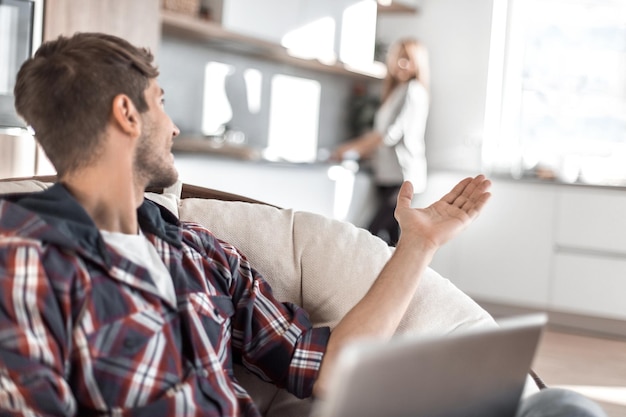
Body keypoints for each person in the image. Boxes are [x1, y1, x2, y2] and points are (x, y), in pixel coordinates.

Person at [0, 33, 605, 417]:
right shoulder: (26, 255)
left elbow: (328, 365)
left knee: (558, 409)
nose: (175, 127)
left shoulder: (199, 252)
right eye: (162, 102)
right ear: (127, 113)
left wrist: (416, 244)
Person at [332, 37, 430, 246]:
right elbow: (380, 133)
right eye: (398, 58)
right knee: (389, 239)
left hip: (402, 177)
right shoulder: (396, 92)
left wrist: (350, 148)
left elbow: (387, 135)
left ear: (417, 63)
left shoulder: (412, 90)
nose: (401, 64)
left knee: (371, 236)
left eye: (407, 59)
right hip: (387, 175)